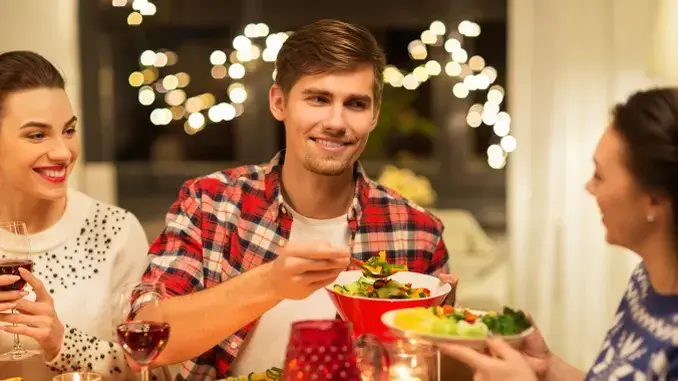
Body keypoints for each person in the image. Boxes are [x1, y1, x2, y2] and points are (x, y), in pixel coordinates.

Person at [133, 19, 457, 380]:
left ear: (375, 114)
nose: (336, 121)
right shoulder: (211, 204)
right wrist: (270, 283)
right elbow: (146, 341)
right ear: (278, 102)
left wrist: (448, 333)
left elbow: (439, 371)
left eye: (356, 104)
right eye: (318, 99)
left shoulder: (417, 232)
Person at [439, 88, 678, 380]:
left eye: (600, 175)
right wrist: (548, 366)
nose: (589, 187)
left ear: (654, 199)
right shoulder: (646, 280)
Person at [0, 51, 152, 380]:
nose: (63, 152)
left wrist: (60, 341)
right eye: (37, 135)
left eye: (68, 131)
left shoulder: (115, 231)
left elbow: (148, 368)